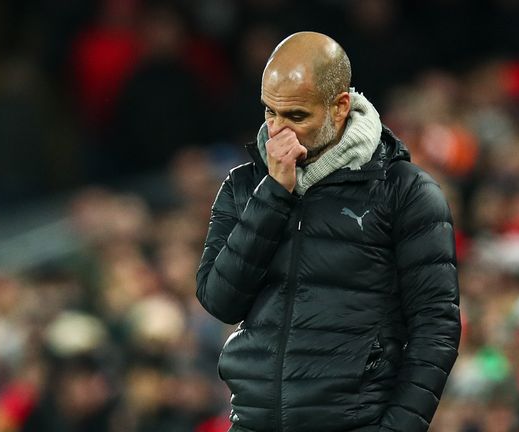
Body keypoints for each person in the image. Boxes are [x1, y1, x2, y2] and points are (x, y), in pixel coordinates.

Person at [196, 31, 461, 432]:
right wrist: (273, 195)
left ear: (339, 107)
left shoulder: (403, 191)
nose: (278, 131)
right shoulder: (245, 185)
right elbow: (220, 300)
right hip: (253, 421)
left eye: (296, 116)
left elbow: (436, 328)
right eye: (270, 112)